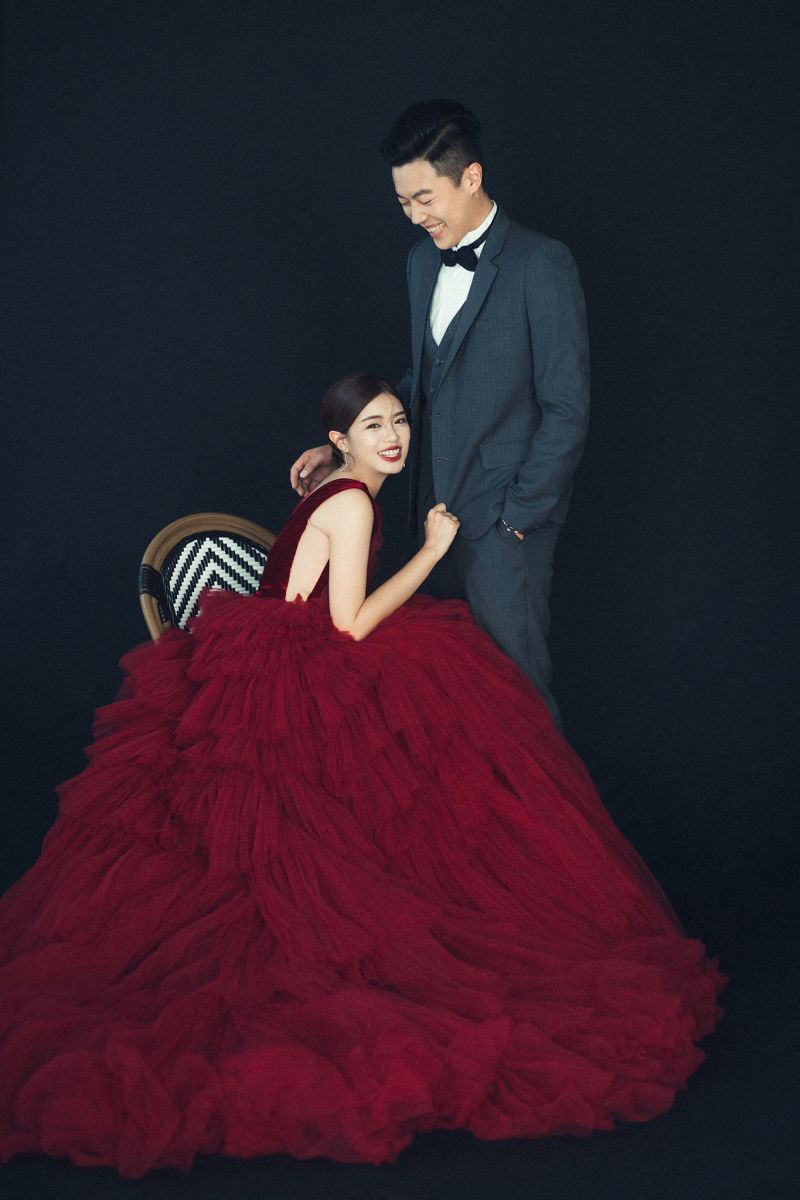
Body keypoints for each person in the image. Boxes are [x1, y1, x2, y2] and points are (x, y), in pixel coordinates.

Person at [0, 374, 723, 1178]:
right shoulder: (351, 502)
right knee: (435, 719)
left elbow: (323, 552)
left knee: (434, 716)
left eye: (399, 421)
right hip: (295, 662)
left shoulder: (336, 481)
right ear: (341, 440)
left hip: (280, 642)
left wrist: (330, 461)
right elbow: (348, 626)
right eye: (373, 426)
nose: (394, 437)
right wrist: (433, 551)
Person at [291, 99, 590, 725]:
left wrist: (518, 518)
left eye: (425, 198)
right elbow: (422, 384)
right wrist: (346, 448)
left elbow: (567, 409)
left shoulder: (541, 264)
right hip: (429, 519)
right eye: (403, 202)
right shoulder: (421, 260)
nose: (414, 216)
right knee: (449, 709)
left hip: (505, 526)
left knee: (520, 701)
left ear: (471, 177)